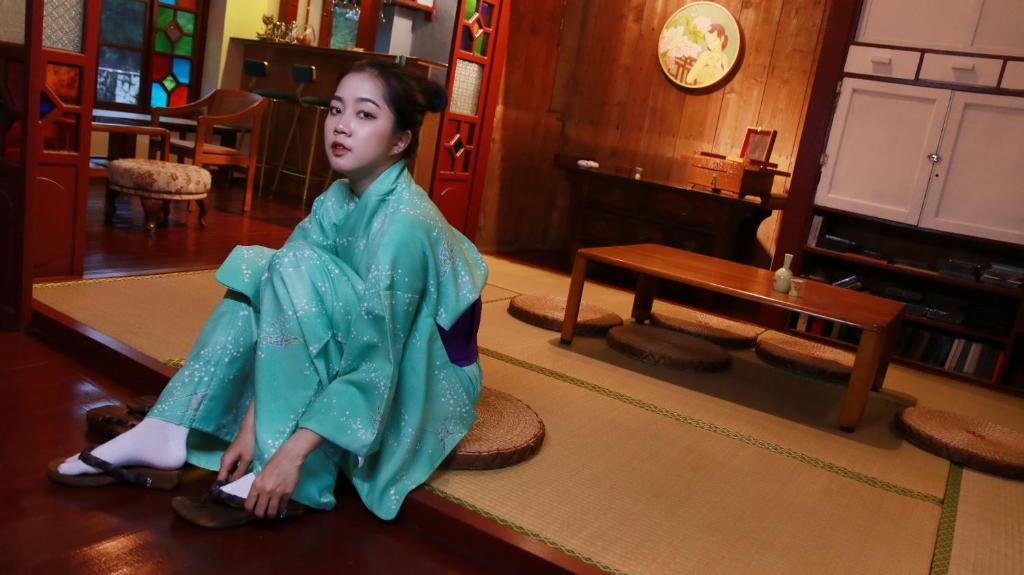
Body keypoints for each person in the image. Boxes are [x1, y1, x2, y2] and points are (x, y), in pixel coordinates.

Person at [49, 59, 488, 526]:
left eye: (364, 115)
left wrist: (288, 455)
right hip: (363, 338)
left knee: (293, 264)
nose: (340, 126)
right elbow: (279, 294)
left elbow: (376, 362)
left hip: (422, 367)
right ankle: (167, 427)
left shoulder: (405, 225)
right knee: (266, 268)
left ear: (400, 141)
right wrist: (252, 426)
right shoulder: (337, 198)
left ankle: (296, 477)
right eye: (336, 110)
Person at [685, 22, 730, 87]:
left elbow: (725, 79)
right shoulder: (705, 55)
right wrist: (704, 62)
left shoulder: (724, 57)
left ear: (722, 39)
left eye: (714, 41)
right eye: (708, 42)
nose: (711, 46)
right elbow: (689, 80)